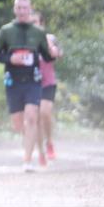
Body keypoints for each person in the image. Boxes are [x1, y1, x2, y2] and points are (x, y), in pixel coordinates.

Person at [0, 0, 57, 172]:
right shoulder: (6, 31)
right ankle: (29, 144)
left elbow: (47, 55)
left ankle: (27, 160)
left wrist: (53, 53)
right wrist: (10, 58)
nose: (21, 11)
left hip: (33, 81)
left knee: (31, 117)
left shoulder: (38, 32)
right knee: (19, 124)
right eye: (18, 8)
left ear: (30, 9)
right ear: (15, 9)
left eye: (25, 8)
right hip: (13, 82)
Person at [32, 11, 62, 163]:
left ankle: (49, 141)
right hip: (32, 83)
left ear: (41, 23)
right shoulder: (25, 40)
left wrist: (54, 50)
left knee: (45, 112)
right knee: (35, 118)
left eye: (35, 21)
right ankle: (41, 151)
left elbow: (59, 54)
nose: (33, 24)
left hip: (48, 82)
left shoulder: (50, 38)